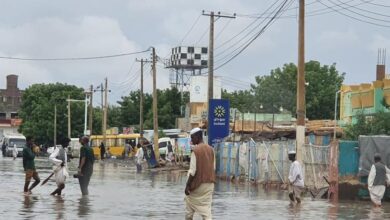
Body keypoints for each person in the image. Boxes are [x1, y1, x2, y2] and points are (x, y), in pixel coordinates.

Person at [184, 127, 215, 220]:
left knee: (189, 207)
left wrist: (187, 186)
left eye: (192, 138)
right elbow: (213, 168)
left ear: (197, 137)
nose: (191, 140)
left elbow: (193, 172)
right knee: (206, 210)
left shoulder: (196, 151)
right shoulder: (211, 150)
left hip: (198, 186)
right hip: (209, 185)